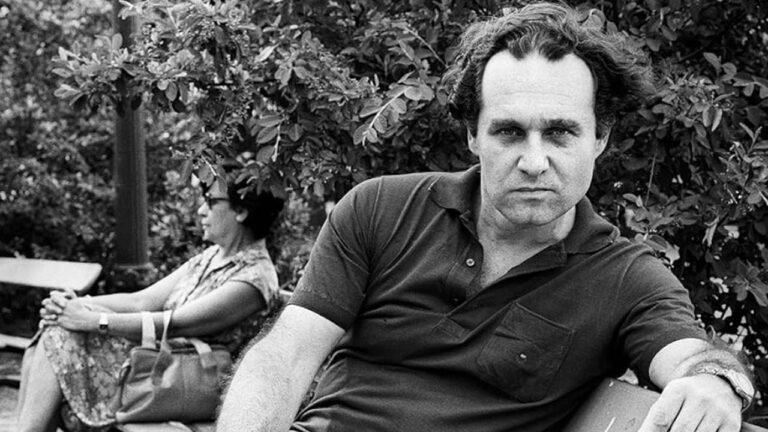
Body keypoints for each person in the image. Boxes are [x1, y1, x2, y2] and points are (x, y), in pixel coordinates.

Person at [217, 3, 754, 432]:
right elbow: (286, 354)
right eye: (509, 131)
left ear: (600, 138)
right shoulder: (380, 209)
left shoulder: (626, 280)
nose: (534, 161)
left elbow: (691, 356)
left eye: (560, 132)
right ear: (473, 135)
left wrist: (716, 382)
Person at [16, 171, 284, 432]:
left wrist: (91, 320)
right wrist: (77, 304)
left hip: (193, 382)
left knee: (58, 338)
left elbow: (177, 325)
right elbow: (140, 301)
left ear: (241, 211)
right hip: (160, 367)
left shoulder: (254, 278)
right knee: (51, 332)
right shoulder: (211, 257)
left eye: (211, 202)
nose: (201, 211)